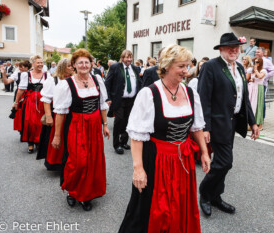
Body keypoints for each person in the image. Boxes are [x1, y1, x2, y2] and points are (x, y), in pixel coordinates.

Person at [119, 44, 211, 233]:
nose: (186, 71)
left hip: (182, 160)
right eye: (181, 66)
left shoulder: (190, 93)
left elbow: (197, 127)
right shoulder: (149, 94)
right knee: (154, 207)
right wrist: (138, 169)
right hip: (156, 159)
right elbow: (137, 135)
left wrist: (204, 152)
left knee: (180, 202)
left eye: (188, 66)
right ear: (167, 66)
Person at [198, 32, 259, 216]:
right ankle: (205, 194)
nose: (234, 50)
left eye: (237, 47)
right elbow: (203, 99)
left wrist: (253, 123)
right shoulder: (210, 67)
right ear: (221, 49)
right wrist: (205, 127)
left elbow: (245, 98)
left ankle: (216, 197)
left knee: (221, 162)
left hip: (233, 123)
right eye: (230, 47)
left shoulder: (239, 67)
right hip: (217, 123)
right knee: (225, 162)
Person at [52, 49, 110, 211]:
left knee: (93, 161)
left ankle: (86, 194)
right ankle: (72, 191)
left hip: (94, 125)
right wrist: (57, 136)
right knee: (78, 161)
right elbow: (60, 112)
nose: (84, 65)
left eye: (86, 62)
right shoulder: (67, 84)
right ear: (74, 65)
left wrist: (105, 124)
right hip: (77, 126)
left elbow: (102, 105)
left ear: (91, 64)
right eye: (80, 63)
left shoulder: (97, 80)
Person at [36, 58, 74, 170]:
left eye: (72, 66)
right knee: (58, 137)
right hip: (58, 113)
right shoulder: (53, 80)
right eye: (69, 66)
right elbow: (46, 100)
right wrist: (48, 116)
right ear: (62, 67)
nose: (72, 68)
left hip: (71, 113)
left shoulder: (73, 79)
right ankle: (56, 162)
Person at [105, 50, 141, 154]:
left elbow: (138, 82)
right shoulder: (115, 67)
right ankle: (117, 144)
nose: (129, 59)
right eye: (127, 57)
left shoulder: (134, 68)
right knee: (119, 120)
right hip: (119, 99)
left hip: (132, 100)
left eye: (130, 57)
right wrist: (108, 98)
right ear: (122, 58)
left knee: (128, 121)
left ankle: (124, 141)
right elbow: (107, 83)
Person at [14, 56, 48, 153]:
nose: (40, 64)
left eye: (42, 62)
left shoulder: (47, 75)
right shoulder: (26, 75)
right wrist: (16, 102)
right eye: (38, 62)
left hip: (42, 101)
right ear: (33, 64)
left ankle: (38, 141)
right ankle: (30, 142)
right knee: (30, 122)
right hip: (30, 101)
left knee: (40, 122)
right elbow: (20, 90)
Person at [0, 61, 32, 131]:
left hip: (30, 95)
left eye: (21, 66)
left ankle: (29, 129)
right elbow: (6, 82)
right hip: (19, 94)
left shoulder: (32, 74)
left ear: (27, 68)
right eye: (19, 66)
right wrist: (3, 74)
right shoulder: (17, 74)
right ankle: (21, 129)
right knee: (19, 113)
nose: (19, 68)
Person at [255, 47, 274, 119]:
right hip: (254, 84)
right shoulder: (255, 60)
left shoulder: (267, 61)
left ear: (262, 53)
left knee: (261, 101)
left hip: (262, 84)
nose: (256, 53)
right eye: (256, 52)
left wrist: (265, 77)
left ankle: (262, 119)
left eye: (258, 52)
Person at [247, 57, 267, 131]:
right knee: (251, 105)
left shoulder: (263, 70)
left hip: (259, 88)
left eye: (258, 62)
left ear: (261, 63)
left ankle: (260, 124)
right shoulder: (252, 70)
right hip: (252, 88)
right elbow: (248, 78)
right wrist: (251, 80)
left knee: (258, 105)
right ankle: (251, 123)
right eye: (255, 62)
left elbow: (260, 76)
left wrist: (255, 70)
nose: (256, 63)